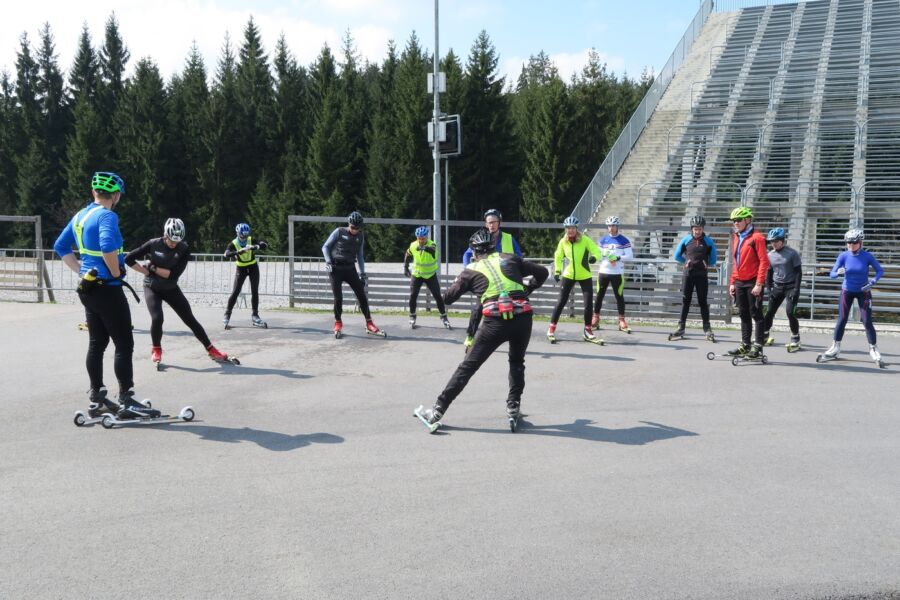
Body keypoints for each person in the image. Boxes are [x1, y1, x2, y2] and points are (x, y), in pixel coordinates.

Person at [417, 228, 548, 431]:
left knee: (468, 367)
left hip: (495, 322)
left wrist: (457, 284)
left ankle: (437, 411)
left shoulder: (470, 270)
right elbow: (543, 272)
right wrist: (528, 288)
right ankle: (513, 406)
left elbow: (448, 299)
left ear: (474, 251)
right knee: (516, 362)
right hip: (523, 316)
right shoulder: (510, 258)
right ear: (493, 246)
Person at [53, 171, 157, 420]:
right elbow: (108, 246)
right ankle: (127, 399)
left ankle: (97, 397)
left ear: (94, 193)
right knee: (124, 343)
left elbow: (60, 246)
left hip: (88, 288)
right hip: (108, 289)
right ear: (116, 196)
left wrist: (81, 270)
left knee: (97, 344)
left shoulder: (80, 216)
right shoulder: (107, 216)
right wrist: (115, 270)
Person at [125, 218, 233, 365]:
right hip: (152, 287)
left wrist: (153, 268)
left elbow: (173, 274)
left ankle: (211, 349)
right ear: (165, 234)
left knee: (190, 319)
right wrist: (146, 272)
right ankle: (156, 349)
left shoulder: (184, 249)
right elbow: (129, 258)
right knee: (157, 318)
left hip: (170, 287)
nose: (173, 244)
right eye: (171, 240)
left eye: (177, 241)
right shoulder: (153, 244)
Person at [460, 209, 522, 351]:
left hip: (506, 280)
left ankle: (513, 339)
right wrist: (467, 268)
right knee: (478, 308)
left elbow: (519, 257)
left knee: (513, 309)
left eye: (494, 222)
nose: (491, 225)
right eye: (489, 223)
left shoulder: (508, 238)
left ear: (499, 222)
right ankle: (470, 336)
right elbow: (467, 254)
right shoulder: (481, 237)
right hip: (487, 281)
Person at [820, 228, 884, 363]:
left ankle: (873, 348)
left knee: (866, 320)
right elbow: (831, 274)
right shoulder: (843, 256)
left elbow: (879, 271)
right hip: (847, 291)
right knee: (842, 319)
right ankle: (835, 346)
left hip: (864, 291)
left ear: (860, 242)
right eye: (848, 243)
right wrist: (838, 273)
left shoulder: (867, 256)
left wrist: (872, 282)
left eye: (853, 243)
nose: (850, 245)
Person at [322, 211, 384, 337]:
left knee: (361, 295)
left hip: (350, 269)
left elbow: (360, 256)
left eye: (357, 228)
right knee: (338, 298)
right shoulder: (339, 231)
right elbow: (325, 247)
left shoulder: (360, 236)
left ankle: (369, 323)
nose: (355, 230)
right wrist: (328, 261)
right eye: (352, 227)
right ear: (349, 224)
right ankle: (338, 322)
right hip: (335, 269)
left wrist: (362, 273)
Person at [547, 216, 603, 343]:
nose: (570, 230)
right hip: (569, 274)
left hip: (585, 275)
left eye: (572, 228)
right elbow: (558, 256)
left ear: (576, 229)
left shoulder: (585, 240)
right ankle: (551, 329)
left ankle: (588, 331)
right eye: (568, 228)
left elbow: (596, 251)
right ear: (565, 229)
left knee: (588, 304)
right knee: (561, 301)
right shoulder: (563, 242)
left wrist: (594, 257)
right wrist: (557, 271)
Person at [727, 206, 770, 358]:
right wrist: (732, 281)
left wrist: (759, 284)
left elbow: (764, 262)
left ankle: (758, 346)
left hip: (753, 281)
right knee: (743, 314)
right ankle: (745, 345)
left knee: (756, 314)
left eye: (738, 220)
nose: (735, 223)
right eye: (733, 221)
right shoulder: (737, 236)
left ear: (747, 220)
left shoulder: (757, 238)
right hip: (739, 281)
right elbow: (735, 261)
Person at [672, 215, 717, 341]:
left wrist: (705, 264)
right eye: (695, 229)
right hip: (688, 274)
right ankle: (681, 327)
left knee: (703, 302)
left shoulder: (708, 242)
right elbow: (677, 256)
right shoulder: (686, 240)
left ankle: (707, 329)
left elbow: (713, 259)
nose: (697, 231)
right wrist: (686, 262)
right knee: (686, 301)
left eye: (700, 229)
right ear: (692, 229)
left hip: (702, 276)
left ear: (703, 229)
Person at [761, 227, 802, 351]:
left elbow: (798, 273)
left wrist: (796, 289)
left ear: (782, 240)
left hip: (790, 287)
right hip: (777, 287)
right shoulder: (770, 255)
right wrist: (769, 287)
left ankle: (795, 337)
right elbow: (769, 272)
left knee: (790, 312)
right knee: (769, 313)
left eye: (776, 241)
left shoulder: (792, 253)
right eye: (771, 241)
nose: (773, 244)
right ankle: (765, 334)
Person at [403, 226, 451, 329]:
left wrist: (424, 248)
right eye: (419, 238)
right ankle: (412, 315)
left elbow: (432, 251)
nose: (421, 240)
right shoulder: (413, 245)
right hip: (417, 274)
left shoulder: (432, 244)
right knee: (413, 295)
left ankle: (443, 316)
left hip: (430, 275)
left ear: (426, 237)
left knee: (437, 296)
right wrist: (405, 267)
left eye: (423, 238)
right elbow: (407, 254)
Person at [593, 215, 634, 333]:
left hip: (617, 273)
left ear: (617, 226)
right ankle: (595, 318)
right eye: (609, 226)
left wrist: (618, 257)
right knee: (599, 296)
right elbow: (598, 253)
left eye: (613, 226)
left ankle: (622, 320)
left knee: (619, 296)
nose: (611, 228)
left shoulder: (624, 240)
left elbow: (630, 257)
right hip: (603, 272)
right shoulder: (603, 240)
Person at [223, 223, 268, 329]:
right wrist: (237, 252)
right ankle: (227, 314)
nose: (244, 238)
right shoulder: (233, 243)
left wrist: (255, 246)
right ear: (238, 234)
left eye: (246, 236)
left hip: (253, 267)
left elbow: (264, 244)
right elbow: (225, 254)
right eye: (242, 236)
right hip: (241, 269)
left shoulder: (251, 239)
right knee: (235, 291)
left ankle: (255, 315)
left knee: (254, 291)